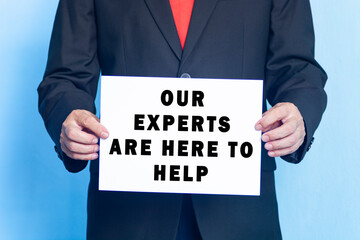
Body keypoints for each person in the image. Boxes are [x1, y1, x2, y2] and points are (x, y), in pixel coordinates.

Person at [38, 0, 327, 239]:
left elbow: (298, 70)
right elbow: (64, 78)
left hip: (239, 214)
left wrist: (298, 112)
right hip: (127, 214)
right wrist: (69, 117)